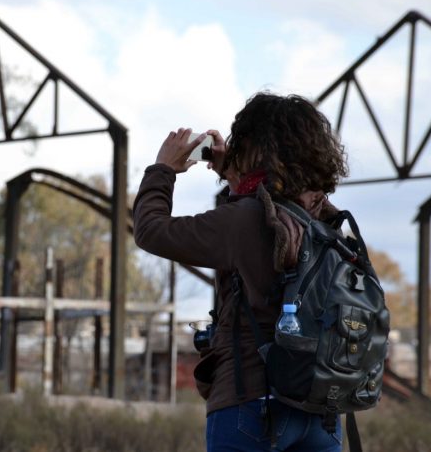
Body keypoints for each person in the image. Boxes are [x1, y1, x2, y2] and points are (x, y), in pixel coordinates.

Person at [132, 92, 349, 452]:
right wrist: (235, 180)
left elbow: (150, 230)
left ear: (255, 149)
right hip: (320, 414)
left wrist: (163, 170)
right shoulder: (326, 219)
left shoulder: (245, 220)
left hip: (249, 407)